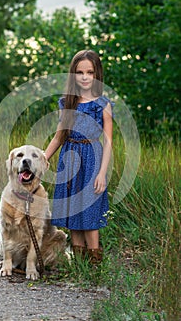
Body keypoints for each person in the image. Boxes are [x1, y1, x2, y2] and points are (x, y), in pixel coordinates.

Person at [45, 50, 114, 263]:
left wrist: (102, 173)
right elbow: (58, 137)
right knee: (73, 213)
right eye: (79, 72)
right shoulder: (67, 102)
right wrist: (44, 157)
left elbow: (109, 142)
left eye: (89, 72)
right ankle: (79, 264)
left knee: (91, 215)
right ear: (73, 75)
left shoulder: (102, 104)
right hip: (70, 159)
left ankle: (94, 265)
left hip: (92, 161)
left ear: (97, 74)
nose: (84, 77)